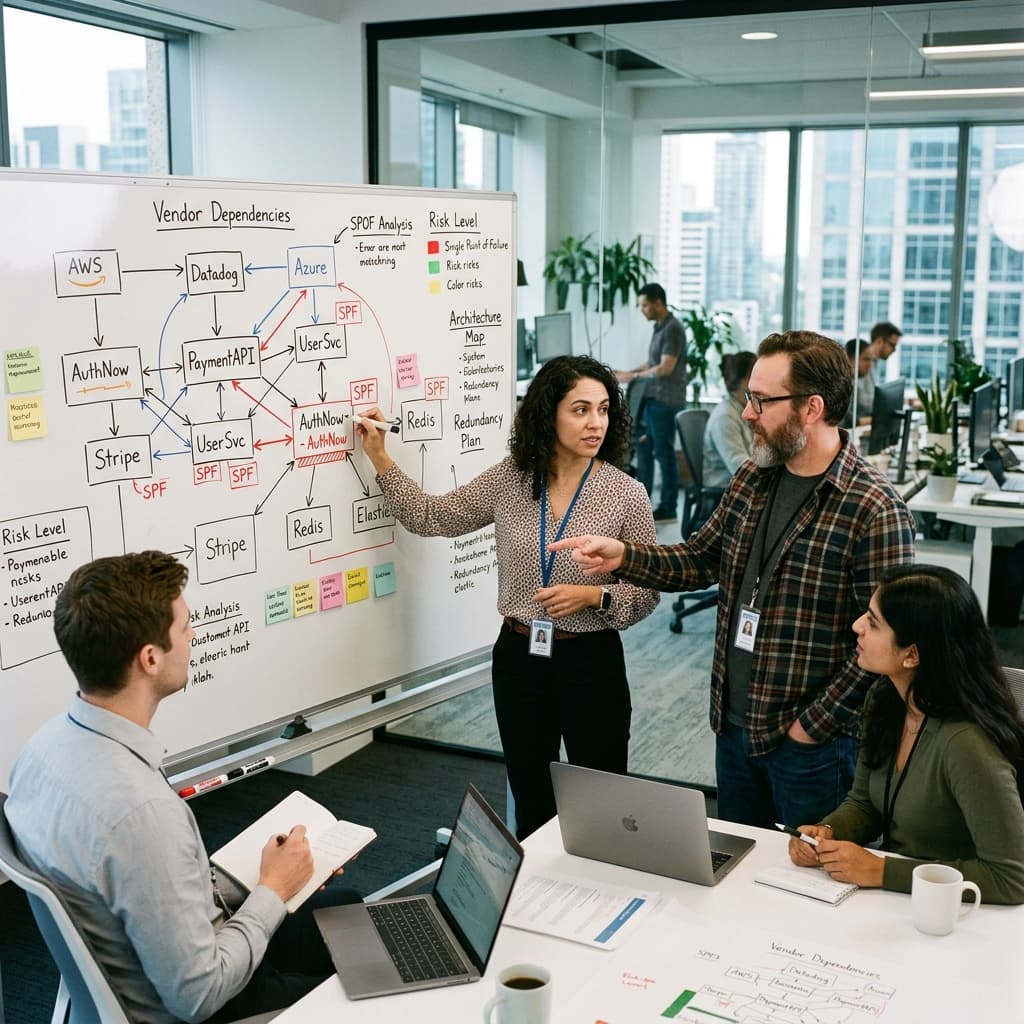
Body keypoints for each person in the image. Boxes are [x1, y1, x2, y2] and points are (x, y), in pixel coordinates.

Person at [551, 331, 916, 828]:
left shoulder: (873, 509)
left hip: (815, 748)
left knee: (810, 890)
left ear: (812, 408)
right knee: (739, 875)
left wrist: (811, 727)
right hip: (735, 727)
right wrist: (623, 556)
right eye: (750, 399)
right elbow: (701, 559)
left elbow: (890, 642)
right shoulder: (753, 477)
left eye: (762, 401)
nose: (747, 414)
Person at [6, 551, 359, 1024]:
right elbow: (199, 995)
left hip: (138, 966)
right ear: (150, 658)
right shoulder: (140, 813)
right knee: (376, 984)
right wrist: (273, 888)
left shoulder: (41, 751)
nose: (193, 636)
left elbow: (141, 886)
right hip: (207, 1003)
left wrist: (271, 877)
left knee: (348, 911)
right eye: (185, 627)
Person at [357, 355, 658, 839]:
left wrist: (595, 596)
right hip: (521, 658)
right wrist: (381, 458)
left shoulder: (626, 493)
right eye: (580, 409)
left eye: (603, 409)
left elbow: (646, 596)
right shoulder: (511, 480)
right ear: (548, 413)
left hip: (591, 662)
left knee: (602, 800)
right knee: (532, 797)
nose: (595, 423)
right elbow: (436, 518)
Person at [787, 565, 1024, 905]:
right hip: (898, 903)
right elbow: (866, 802)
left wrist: (881, 871)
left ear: (912, 654)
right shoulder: (886, 699)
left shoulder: (967, 745)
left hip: (959, 918)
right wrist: (828, 832)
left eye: (873, 622)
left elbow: (1011, 878)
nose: (857, 626)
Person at [614, 283, 687, 522]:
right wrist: (626, 372)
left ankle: (668, 507)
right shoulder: (659, 327)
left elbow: (665, 368)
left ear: (658, 303)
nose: (642, 310)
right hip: (653, 399)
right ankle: (641, 506)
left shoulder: (672, 329)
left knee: (664, 453)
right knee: (644, 448)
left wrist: (633, 377)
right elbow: (651, 362)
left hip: (665, 401)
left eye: (645, 305)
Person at [703, 351, 756, 490]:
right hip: (724, 487)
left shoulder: (742, 408)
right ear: (745, 380)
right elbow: (739, 468)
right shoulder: (725, 417)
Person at [843, 337, 875, 428]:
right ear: (851, 359)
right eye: (866, 359)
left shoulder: (860, 378)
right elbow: (846, 421)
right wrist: (877, 419)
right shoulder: (842, 384)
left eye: (871, 360)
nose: (870, 365)